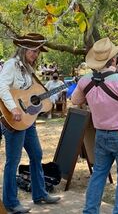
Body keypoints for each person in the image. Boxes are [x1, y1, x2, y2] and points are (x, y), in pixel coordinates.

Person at [71, 37, 118, 214]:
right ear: (113, 59)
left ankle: (90, 211)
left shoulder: (85, 81)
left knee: (98, 175)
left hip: (101, 135)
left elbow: (75, 100)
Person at [0, 33, 60, 214]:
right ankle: (10, 202)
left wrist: (47, 100)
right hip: (14, 120)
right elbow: (2, 87)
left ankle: (40, 193)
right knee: (13, 160)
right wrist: (13, 109)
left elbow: (31, 94)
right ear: (24, 49)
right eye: (34, 51)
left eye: (38, 52)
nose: (36, 55)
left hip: (28, 120)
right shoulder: (11, 65)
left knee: (36, 154)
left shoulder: (28, 70)